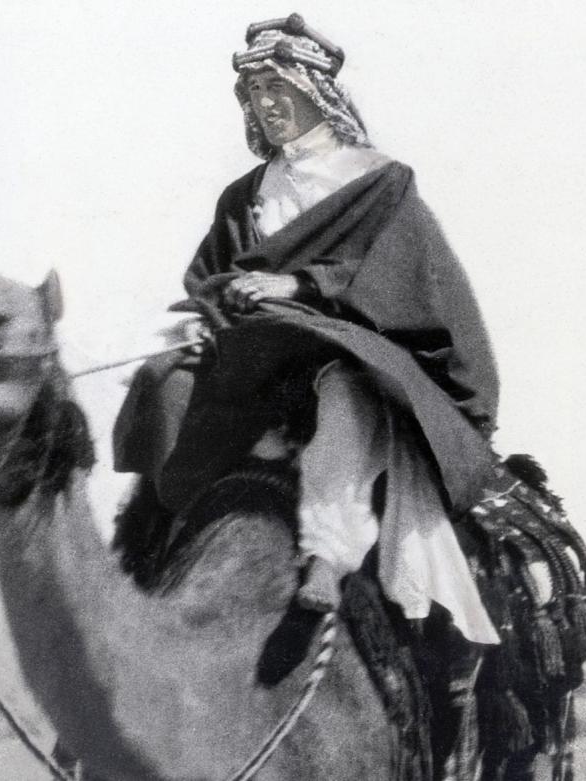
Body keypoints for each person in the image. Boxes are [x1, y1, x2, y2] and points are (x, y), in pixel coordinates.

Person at [110, 17, 502, 771]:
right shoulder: (245, 196)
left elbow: (400, 282)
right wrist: (210, 318)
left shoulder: (379, 182)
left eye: (278, 88)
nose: (266, 104)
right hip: (256, 366)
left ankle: (329, 555)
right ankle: (169, 547)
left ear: (316, 91)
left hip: (355, 352)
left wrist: (296, 284)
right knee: (160, 384)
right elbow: (212, 279)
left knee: (341, 385)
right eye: (254, 93)